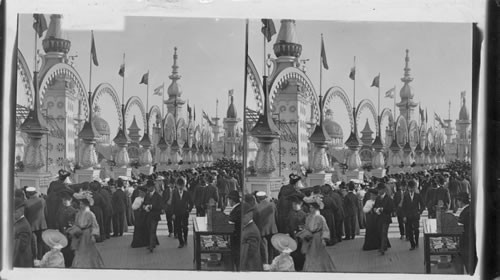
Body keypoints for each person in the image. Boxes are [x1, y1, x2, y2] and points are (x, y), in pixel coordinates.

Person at [296, 199, 336, 272]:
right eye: (310, 207)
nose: (310, 209)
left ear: (316, 208)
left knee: (319, 255)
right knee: (309, 255)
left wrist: (324, 239)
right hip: (309, 239)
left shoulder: (320, 217)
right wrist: (304, 233)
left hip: (318, 238)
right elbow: (306, 227)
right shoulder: (308, 217)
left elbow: (325, 229)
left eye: (312, 207)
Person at [70, 191, 104, 268]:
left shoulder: (90, 214)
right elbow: (76, 223)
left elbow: (95, 225)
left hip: (87, 234)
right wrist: (74, 230)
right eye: (80, 204)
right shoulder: (78, 213)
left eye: (82, 204)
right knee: (79, 251)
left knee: (89, 252)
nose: (80, 205)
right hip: (80, 235)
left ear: (86, 204)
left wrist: (93, 235)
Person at [23, 186, 48, 260]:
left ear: (27, 194)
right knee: (40, 242)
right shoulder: (42, 200)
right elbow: (46, 213)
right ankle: (40, 257)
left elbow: (25, 215)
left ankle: (34, 258)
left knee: (33, 243)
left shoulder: (25, 202)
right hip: (42, 225)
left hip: (31, 226)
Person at [254, 191, 278, 264]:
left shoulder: (256, 207)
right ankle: (271, 262)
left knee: (264, 248)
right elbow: (276, 216)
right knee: (271, 248)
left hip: (262, 230)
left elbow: (255, 220)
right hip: (272, 229)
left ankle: (266, 263)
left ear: (258, 198)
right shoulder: (272, 205)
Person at [456, 192, 477, 274]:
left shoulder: (465, 212)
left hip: (467, 243)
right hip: (472, 242)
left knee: (469, 267)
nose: (457, 203)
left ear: (461, 201)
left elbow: (462, 227)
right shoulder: (470, 209)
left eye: (457, 201)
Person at [240, 203, 264, 271]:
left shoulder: (252, 232)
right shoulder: (248, 226)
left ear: (249, 215)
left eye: (242, 217)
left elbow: (250, 252)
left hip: (251, 267)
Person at [402, 179, 425, 250]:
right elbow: (403, 207)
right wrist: (404, 216)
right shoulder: (405, 196)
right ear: (408, 188)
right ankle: (412, 244)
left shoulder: (418, 195)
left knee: (416, 229)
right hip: (408, 216)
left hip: (416, 215)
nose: (411, 189)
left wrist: (420, 212)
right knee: (409, 231)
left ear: (415, 187)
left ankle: (417, 241)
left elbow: (423, 205)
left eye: (413, 187)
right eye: (410, 187)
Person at [56, 190, 77, 268]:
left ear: (70, 200)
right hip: (61, 232)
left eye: (66, 200)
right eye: (63, 200)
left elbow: (74, 223)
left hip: (69, 233)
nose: (64, 202)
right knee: (63, 249)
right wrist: (58, 228)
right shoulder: (60, 210)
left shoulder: (73, 211)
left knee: (69, 249)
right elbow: (57, 220)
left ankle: (70, 263)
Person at [171, 177, 193, 248]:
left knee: (185, 227)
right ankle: (181, 242)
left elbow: (191, 203)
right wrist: (173, 213)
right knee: (178, 227)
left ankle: (185, 238)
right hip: (177, 213)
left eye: (181, 185)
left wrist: (188, 210)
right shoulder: (174, 193)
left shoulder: (187, 193)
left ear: (184, 185)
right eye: (179, 185)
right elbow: (173, 203)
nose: (180, 187)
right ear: (176, 185)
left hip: (185, 212)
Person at [373, 183, 394, 255]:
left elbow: (391, 209)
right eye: (378, 189)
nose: (379, 191)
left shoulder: (389, 199)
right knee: (380, 233)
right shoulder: (378, 198)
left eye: (380, 189)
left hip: (385, 218)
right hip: (378, 218)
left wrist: (383, 209)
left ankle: (382, 248)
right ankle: (384, 246)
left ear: (384, 190)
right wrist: (375, 210)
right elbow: (375, 206)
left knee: (383, 232)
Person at [143, 180, 163, 252]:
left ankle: (151, 246)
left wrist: (152, 206)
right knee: (149, 230)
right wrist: (144, 207)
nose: (148, 189)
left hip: (155, 216)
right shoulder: (147, 195)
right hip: (148, 215)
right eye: (147, 187)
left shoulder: (158, 196)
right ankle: (153, 243)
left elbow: (160, 206)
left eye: (149, 187)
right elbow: (144, 203)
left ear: (152, 187)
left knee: (152, 230)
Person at [14, 197, 33, 267]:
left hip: (21, 263)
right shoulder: (19, 223)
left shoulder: (23, 227)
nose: (12, 214)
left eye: (15, 212)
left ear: (21, 211)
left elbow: (21, 247)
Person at [227, 190, 241, 271]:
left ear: (232, 200)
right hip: (237, 236)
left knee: (237, 258)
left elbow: (233, 221)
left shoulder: (237, 209)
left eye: (229, 199)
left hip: (236, 237)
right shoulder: (238, 208)